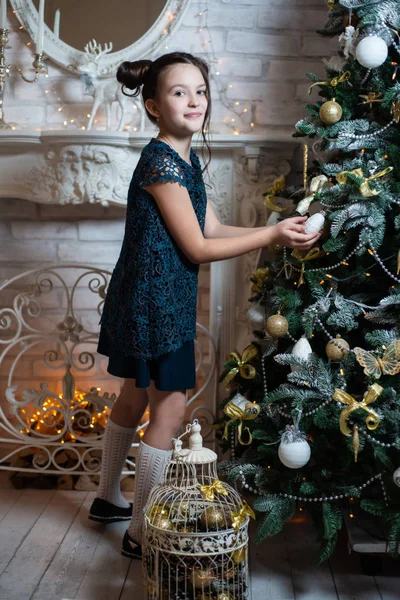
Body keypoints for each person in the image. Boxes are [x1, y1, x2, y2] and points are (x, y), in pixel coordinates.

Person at [88, 52, 320, 559]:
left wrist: (275, 236)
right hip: (156, 307)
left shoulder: (184, 159)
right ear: (152, 105)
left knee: (133, 395)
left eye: (201, 90)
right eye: (178, 92)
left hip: (145, 300)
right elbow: (197, 249)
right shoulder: (160, 162)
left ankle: (108, 500)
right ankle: (142, 534)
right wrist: (272, 232)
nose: (195, 100)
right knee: (168, 412)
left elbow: (211, 228)